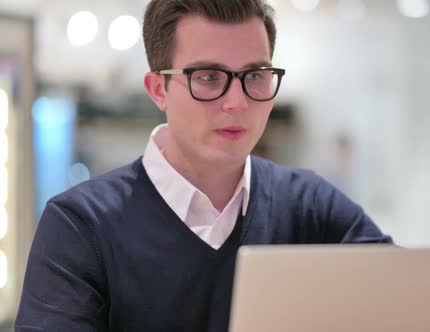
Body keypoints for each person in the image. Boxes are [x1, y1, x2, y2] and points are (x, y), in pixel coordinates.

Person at [15, 0, 393, 331]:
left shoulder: (310, 205)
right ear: (158, 89)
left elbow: (410, 302)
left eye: (255, 77)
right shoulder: (81, 226)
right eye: (209, 78)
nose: (237, 101)